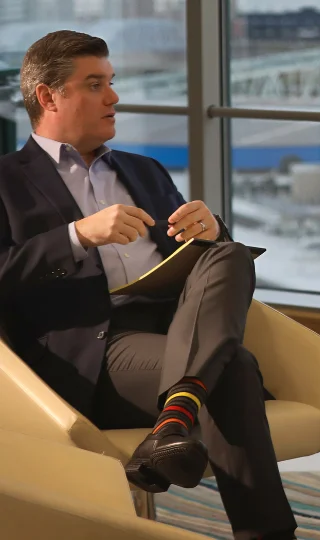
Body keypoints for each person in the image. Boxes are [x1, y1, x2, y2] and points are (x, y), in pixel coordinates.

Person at [0, 31, 295, 539]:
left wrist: (210, 231)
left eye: (111, 82)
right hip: (94, 350)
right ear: (48, 96)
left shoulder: (145, 170)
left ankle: (172, 423)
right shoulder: (5, 180)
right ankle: (263, 527)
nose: (114, 97)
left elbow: (199, 265)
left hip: (177, 328)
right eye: (95, 85)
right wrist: (77, 236)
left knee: (228, 252)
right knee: (234, 367)